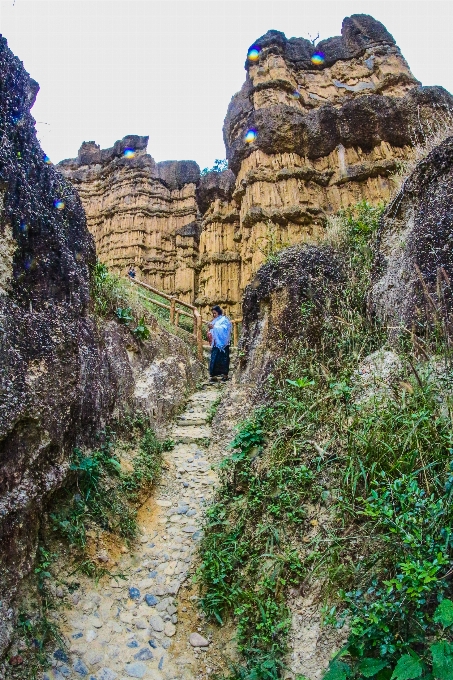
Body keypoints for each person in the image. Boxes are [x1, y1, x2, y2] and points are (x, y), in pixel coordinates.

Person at [208, 305, 232, 382]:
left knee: (224, 359)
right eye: (213, 313)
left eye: (215, 313)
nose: (214, 315)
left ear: (219, 312)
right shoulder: (214, 320)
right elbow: (212, 330)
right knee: (214, 358)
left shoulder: (224, 319)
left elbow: (225, 328)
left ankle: (225, 375)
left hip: (223, 343)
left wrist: (214, 327)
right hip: (216, 343)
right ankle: (213, 375)